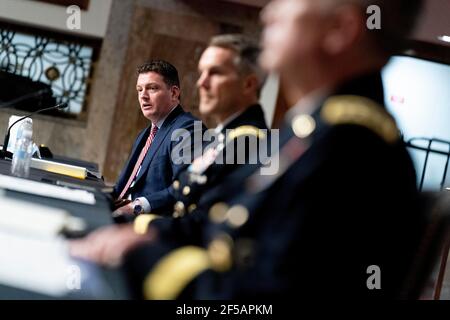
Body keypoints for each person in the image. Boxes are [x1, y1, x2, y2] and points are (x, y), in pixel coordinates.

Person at [121, 0, 426, 299]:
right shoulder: (312, 130)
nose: (268, 12)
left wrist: (143, 262)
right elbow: (223, 226)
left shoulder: (352, 148)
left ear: (340, 29)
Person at [70, 34, 269, 266]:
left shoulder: (237, 139)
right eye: (139, 90)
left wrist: (140, 222)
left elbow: (198, 215)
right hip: (160, 230)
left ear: (248, 84)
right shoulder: (157, 132)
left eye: (214, 73)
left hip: (177, 247)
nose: (200, 82)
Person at [111, 60, 200, 218]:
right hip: (118, 212)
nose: (143, 96)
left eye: (152, 88)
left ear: (173, 93)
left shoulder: (187, 129)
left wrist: (138, 206)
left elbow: (185, 187)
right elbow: (123, 187)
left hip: (149, 223)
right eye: (139, 90)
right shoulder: (145, 134)